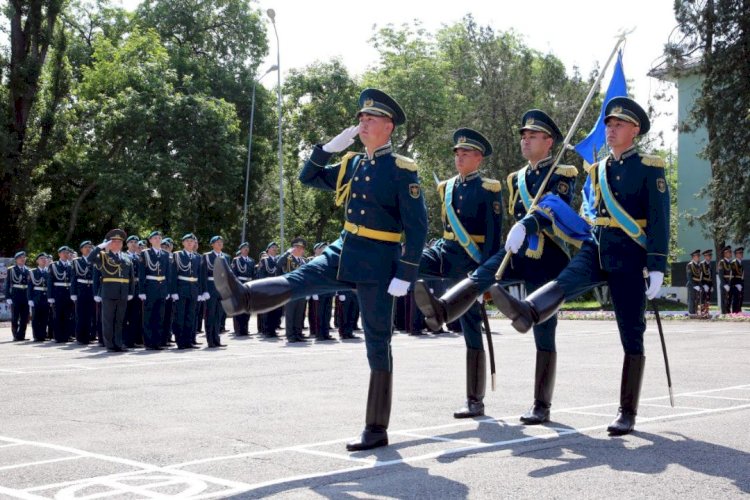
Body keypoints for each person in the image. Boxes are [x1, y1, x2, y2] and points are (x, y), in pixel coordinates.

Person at [214, 88, 428, 451]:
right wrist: (327, 149)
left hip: (378, 260)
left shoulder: (400, 169)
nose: (362, 123)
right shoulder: (353, 164)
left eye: (370, 119)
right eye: (361, 118)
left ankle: (376, 429)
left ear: (388, 126)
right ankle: (243, 297)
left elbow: (418, 227)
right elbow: (306, 177)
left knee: (378, 341)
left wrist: (405, 274)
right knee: (300, 279)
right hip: (343, 248)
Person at [488, 97, 670, 436]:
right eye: (609, 124)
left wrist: (657, 264)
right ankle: (527, 310)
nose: (611, 130)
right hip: (598, 246)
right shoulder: (598, 168)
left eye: (618, 125)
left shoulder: (649, 166)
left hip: (630, 255)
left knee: (631, 333)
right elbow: (593, 211)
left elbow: (659, 219)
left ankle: (626, 411)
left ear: (634, 130)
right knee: (566, 281)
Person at [415, 112, 577, 424]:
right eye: (523, 135)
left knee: (544, 331)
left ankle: (541, 405)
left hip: (547, 259)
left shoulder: (561, 173)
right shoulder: (516, 178)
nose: (525, 140)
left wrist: (529, 223)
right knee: (484, 273)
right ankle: (445, 308)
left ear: (549, 142)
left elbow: (555, 208)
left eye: (532, 135)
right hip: (517, 253)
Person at [410, 127, 502, 417]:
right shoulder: (448, 187)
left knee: (471, 328)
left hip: (471, 265)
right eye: (457, 153)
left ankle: (475, 400)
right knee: (408, 262)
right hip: (445, 255)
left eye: (465, 154)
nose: (459, 158)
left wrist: (484, 280)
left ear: (478, 158)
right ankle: (427, 303)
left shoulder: (489, 189)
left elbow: (493, 240)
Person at [87, 229, 136, 352]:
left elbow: (131, 276)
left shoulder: (126, 257)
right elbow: (90, 258)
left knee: (120, 319)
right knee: (108, 319)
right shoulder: (103, 256)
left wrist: (131, 291)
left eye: (120, 241)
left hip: (123, 291)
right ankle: (109, 344)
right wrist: (100, 247)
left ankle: (118, 343)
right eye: (114, 241)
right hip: (109, 291)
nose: (117, 244)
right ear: (109, 243)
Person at [171, 233, 205, 349]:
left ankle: (189, 341)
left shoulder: (197, 257)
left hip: (193, 289)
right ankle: (180, 342)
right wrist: (174, 291)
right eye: (187, 241)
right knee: (180, 316)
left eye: (192, 241)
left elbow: (200, 276)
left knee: (191, 316)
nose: (190, 243)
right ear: (183, 243)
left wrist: (200, 292)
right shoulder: (177, 255)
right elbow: (173, 275)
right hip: (181, 288)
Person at [139, 231, 171, 350]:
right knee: (148, 316)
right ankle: (148, 342)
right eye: (155, 238)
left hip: (161, 288)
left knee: (160, 316)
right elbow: (142, 274)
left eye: (159, 238)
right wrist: (142, 291)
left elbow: (168, 274)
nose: (158, 240)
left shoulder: (165, 254)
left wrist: (167, 290)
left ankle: (157, 342)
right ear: (150, 240)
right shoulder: (145, 253)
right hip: (150, 287)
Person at [278, 238, 309, 343]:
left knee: (300, 313)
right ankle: (290, 335)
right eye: (297, 247)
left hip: (302, 290)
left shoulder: (304, 261)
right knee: (290, 313)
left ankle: (298, 334)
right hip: (291, 289)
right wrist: (287, 253)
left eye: (301, 248)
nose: (300, 250)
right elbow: (278, 264)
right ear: (293, 248)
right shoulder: (288, 258)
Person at [202, 235, 229, 348]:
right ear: (212, 244)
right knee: (210, 315)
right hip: (211, 288)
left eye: (221, 242)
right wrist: (204, 290)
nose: (219, 244)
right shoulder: (207, 256)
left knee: (219, 316)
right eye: (217, 242)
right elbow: (203, 275)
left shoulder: (226, 257)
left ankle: (217, 339)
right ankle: (210, 340)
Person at [47, 246, 75, 343]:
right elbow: (50, 282)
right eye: (63, 252)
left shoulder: (72, 265)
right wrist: (50, 296)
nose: (66, 254)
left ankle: (67, 335)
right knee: (58, 315)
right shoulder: (53, 265)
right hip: (58, 293)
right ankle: (58, 336)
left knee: (68, 315)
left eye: (67, 253)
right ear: (59, 254)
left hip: (68, 293)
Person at [70, 241, 96, 345]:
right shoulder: (76, 262)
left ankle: (91, 335)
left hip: (92, 289)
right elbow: (73, 278)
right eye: (85, 247)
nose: (88, 249)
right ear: (81, 250)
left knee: (92, 314)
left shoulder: (95, 261)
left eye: (90, 247)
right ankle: (81, 337)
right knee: (81, 315)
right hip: (81, 289)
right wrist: (73, 293)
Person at [257, 242, 282, 337]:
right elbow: (261, 276)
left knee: (276, 310)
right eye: (272, 247)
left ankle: (273, 329)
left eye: (276, 247)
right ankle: (267, 330)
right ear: (268, 249)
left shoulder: (278, 260)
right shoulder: (264, 260)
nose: (275, 249)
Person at [230, 242, 256, 336]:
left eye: (247, 248)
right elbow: (234, 275)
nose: (246, 249)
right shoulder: (236, 260)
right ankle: (238, 329)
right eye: (244, 248)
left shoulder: (252, 261)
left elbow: (253, 274)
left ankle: (245, 329)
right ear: (240, 250)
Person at [5, 251, 30, 341]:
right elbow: (7, 284)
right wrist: (8, 297)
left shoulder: (28, 270)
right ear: (16, 260)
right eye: (20, 258)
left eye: (24, 257)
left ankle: (21, 335)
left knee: (25, 317)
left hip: (26, 295)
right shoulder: (11, 269)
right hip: (15, 295)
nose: (23, 259)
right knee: (15, 316)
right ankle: (15, 335)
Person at [28, 253, 51, 342]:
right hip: (36, 297)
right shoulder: (33, 272)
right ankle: (36, 335)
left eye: (45, 258)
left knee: (45, 317)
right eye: (41, 258)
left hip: (46, 296)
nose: (44, 260)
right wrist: (30, 299)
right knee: (36, 317)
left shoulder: (49, 271)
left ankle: (43, 334)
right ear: (37, 261)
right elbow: (29, 286)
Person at [160, 237, 177, 346]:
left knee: (170, 315)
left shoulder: (173, 258)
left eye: (168, 246)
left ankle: (168, 336)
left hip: (172, 290)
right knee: (162, 315)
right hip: (162, 290)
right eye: (164, 247)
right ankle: (162, 338)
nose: (166, 248)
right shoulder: (161, 257)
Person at [685, 249, 703, 315]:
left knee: (697, 299)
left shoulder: (698, 265)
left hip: (698, 285)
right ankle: (691, 313)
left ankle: (695, 312)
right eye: (697, 256)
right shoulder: (690, 265)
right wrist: (695, 285)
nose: (698, 257)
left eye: (699, 256)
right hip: (692, 285)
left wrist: (700, 285)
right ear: (693, 257)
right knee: (692, 299)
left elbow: (699, 277)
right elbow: (689, 277)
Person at [718, 245, 733, 314]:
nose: (731, 253)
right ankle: (724, 313)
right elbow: (721, 275)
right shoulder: (722, 262)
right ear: (725, 253)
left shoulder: (730, 262)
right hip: (724, 284)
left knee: (729, 299)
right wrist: (725, 284)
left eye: (731, 252)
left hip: (730, 283)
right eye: (729, 252)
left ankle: (728, 312)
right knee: (724, 300)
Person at [730, 247, 744, 313]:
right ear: (736, 254)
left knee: (740, 298)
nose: (742, 254)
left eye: (742, 253)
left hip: (740, 283)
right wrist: (736, 284)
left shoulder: (740, 262)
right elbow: (732, 275)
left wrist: (741, 283)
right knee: (735, 299)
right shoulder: (733, 263)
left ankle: (739, 312)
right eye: (740, 253)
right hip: (735, 284)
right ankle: (735, 313)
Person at [700, 249, 713, 316]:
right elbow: (700, 276)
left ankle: (707, 312)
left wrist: (712, 286)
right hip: (704, 284)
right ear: (705, 256)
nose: (710, 257)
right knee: (703, 298)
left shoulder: (709, 264)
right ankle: (702, 312)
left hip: (709, 284)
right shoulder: (702, 264)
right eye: (709, 255)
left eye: (711, 255)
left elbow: (711, 276)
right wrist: (703, 285)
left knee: (708, 299)